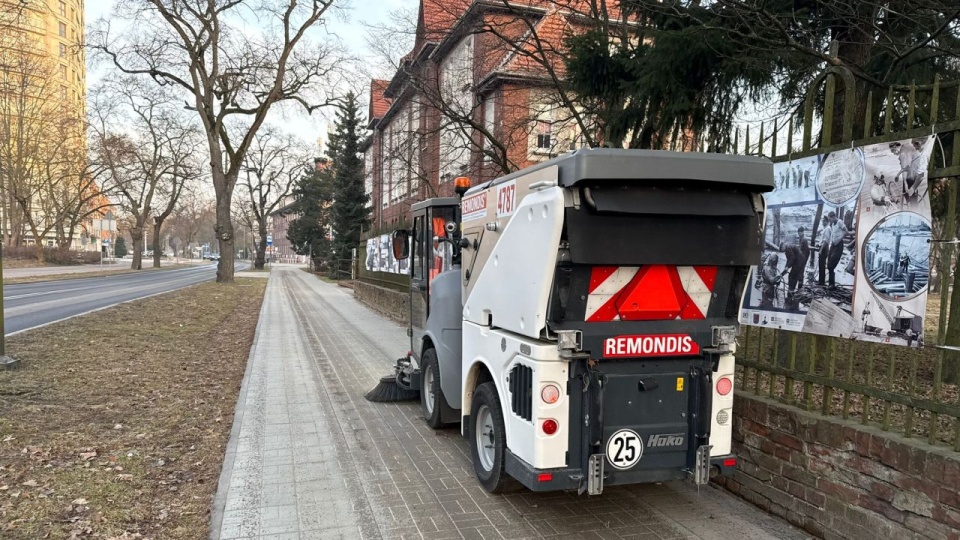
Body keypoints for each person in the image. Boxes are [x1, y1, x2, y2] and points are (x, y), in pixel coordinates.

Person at [825, 211, 848, 288]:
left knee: (831, 265)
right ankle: (831, 283)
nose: (830, 221)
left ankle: (832, 285)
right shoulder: (832, 224)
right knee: (828, 263)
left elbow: (846, 231)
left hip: (839, 245)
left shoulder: (839, 222)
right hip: (833, 245)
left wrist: (839, 239)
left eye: (830, 219)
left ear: (833, 217)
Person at [817, 216, 832, 286]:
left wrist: (821, 250)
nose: (823, 222)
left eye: (824, 221)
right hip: (823, 247)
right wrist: (819, 244)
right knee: (821, 265)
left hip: (824, 248)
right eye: (822, 221)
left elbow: (826, 241)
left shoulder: (828, 229)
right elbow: (823, 239)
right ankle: (820, 281)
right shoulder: (825, 228)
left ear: (827, 221)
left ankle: (821, 282)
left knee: (822, 265)